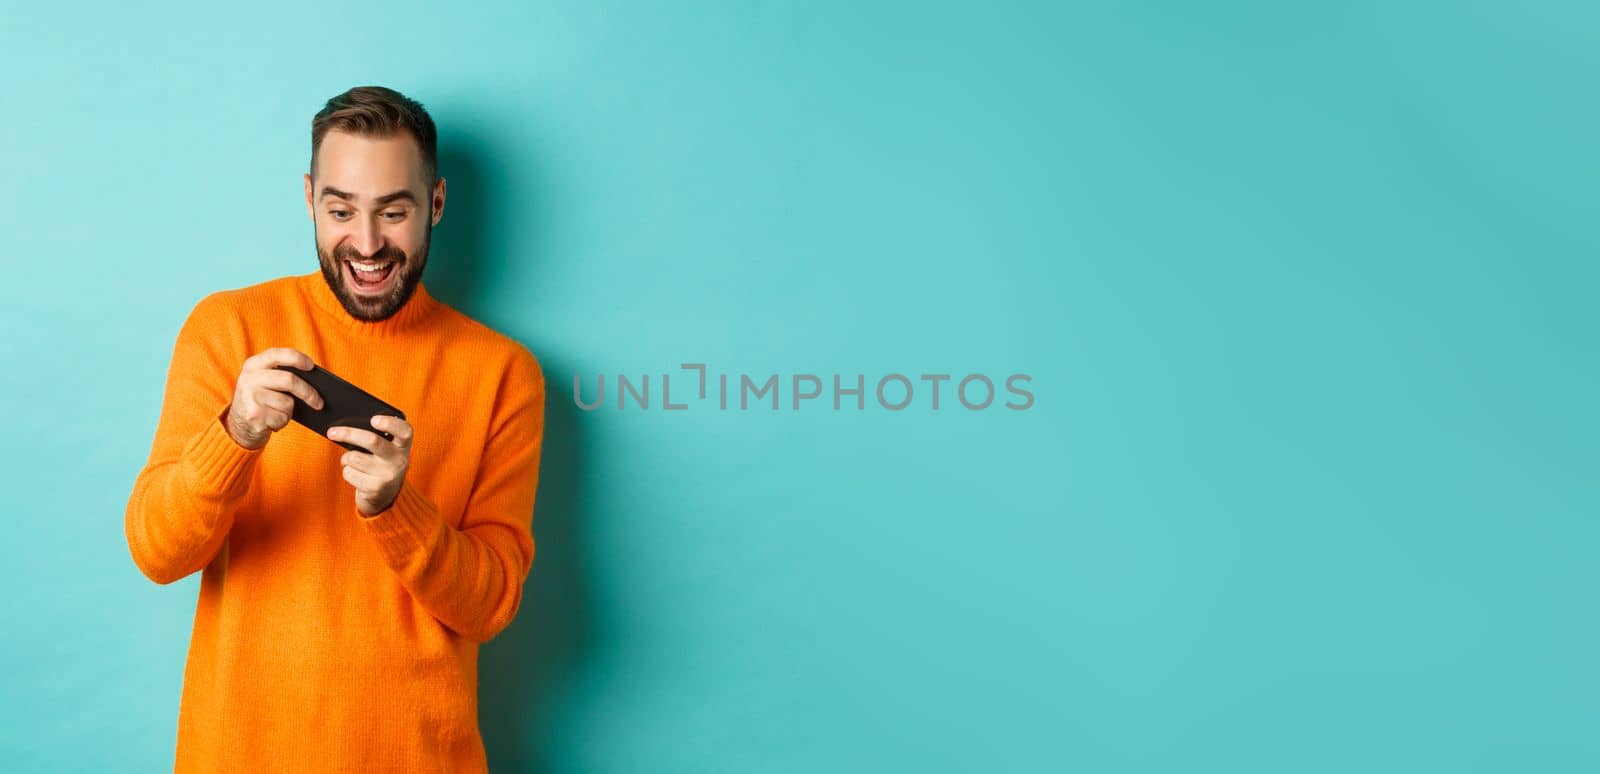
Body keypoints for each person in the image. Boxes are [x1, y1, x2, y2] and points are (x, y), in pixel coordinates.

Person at [124, 85, 546, 772]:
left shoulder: (504, 373)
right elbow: (156, 552)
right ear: (309, 198)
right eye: (341, 209)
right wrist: (234, 435)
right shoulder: (228, 330)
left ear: (435, 203)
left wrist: (394, 509)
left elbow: (492, 605)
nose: (369, 243)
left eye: (395, 211)